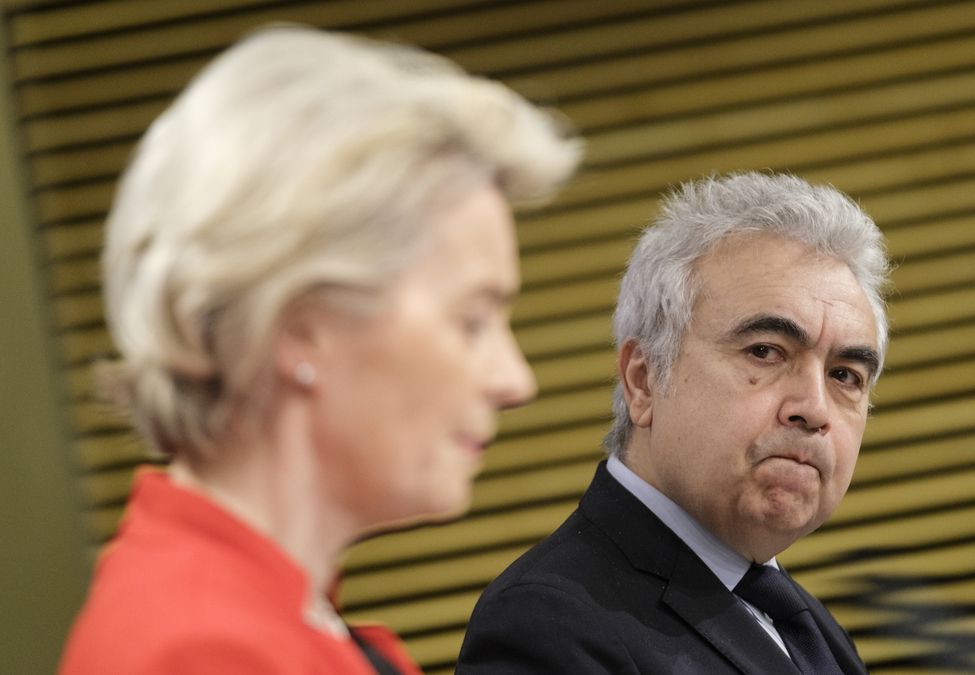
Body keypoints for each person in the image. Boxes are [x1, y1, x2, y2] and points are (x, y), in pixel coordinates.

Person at [58, 24, 580, 675]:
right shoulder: (203, 652)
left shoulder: (270, 614)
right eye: (472, 320)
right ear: (302, 326)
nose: (515, 380)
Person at [458, 172, 889, 674]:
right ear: (643, 381)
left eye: (845, 375)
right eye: (766, 352)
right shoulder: (546, 622)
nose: (813, 408)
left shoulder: (810, 628)